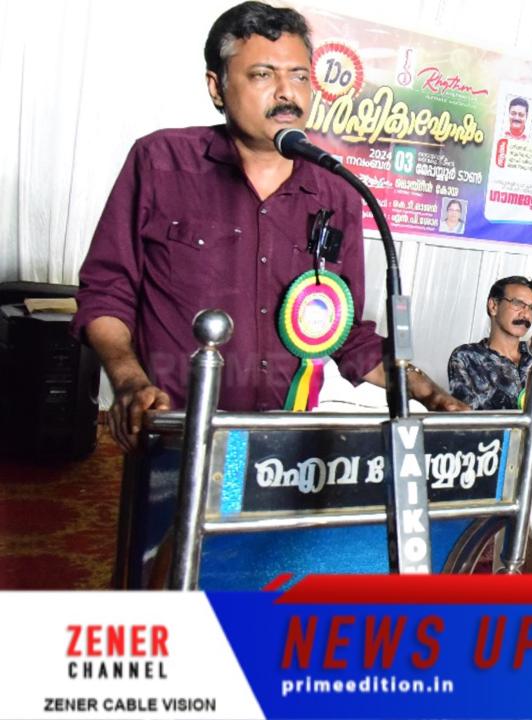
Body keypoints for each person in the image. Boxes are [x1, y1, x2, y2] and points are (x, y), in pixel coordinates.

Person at [71, 1, 463, 451]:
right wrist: (128, 380)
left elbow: (347, 334)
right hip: (176, 437)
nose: (286, 93)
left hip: (280, 449)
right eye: (262, 75)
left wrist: (427, 392)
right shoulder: (160, 162)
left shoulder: (337, 192)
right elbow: (107, 292)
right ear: (217, 87)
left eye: (299, 76)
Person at [448, 276, 532, 454]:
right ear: (493, 306)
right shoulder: (466, 357)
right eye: (518, 304)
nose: (526, 314)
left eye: (531, 307)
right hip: (497, 459)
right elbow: (466, 422)